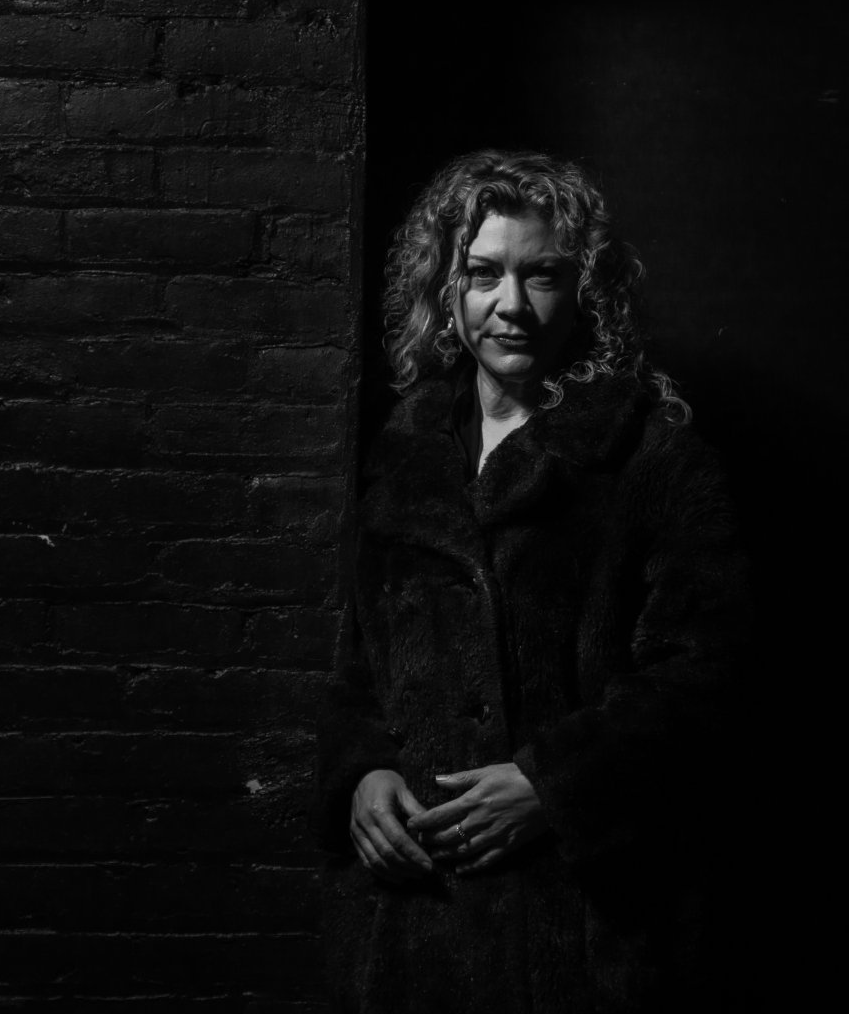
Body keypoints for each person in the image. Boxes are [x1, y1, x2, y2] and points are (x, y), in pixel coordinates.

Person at [314, 149, 750, 1014]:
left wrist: (556, 784)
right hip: (421, 914)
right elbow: (361, 664)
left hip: (588, 928)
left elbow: (709, 678)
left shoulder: (654, 460)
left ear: (584, 292)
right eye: (481, 274)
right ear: (448, 288)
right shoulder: (406, 454)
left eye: (541, 275)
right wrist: (362, 775)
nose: (509, 306)